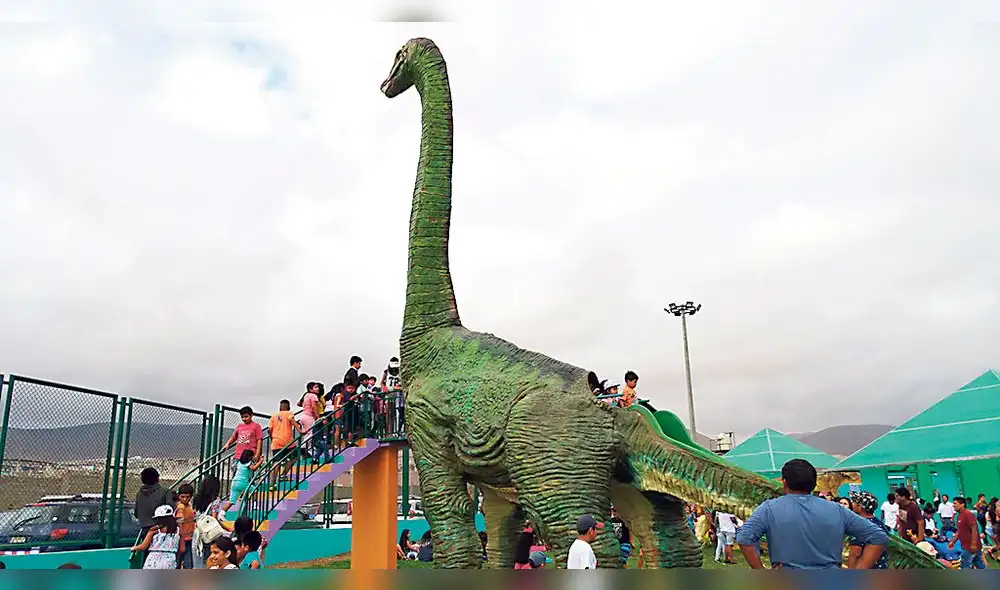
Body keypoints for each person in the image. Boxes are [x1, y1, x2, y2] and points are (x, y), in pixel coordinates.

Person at [736, 459, 888, 569]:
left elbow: (744, 537)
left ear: (784, 482)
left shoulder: (769, 508)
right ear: (814, 484)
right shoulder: (837, 510)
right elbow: (879, 537)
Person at [134, 467, 174, 564]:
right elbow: (170, 510)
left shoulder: (139, 494)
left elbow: (136, 512)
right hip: (161, 530)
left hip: (145, 528)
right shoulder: (165, 492)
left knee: (149, 558)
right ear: (157, 478)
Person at [192, 475, 229, 568]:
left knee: (200, 554)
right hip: (210, 533)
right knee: (210, 556)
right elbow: (214, 518)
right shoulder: (215, 501)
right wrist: (227, 528)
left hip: (198, 531)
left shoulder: (197, 498)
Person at [847, 491, 890, 569]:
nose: (851, 504)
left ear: (860, 506)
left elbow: (855, 553)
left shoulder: (860, 526)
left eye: (853, 501)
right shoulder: (879, 524)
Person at [132, 505, 184, 570]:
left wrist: (134, 548)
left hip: (153, 559)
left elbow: (143, 546)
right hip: (170, 560)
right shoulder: (178, 531)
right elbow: (182, 549)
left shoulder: (154, 530)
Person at [950, 496, 986, 569]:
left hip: (970, 547)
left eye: (955, 503)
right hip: (969, 547)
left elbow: (974, 529)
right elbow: (959, 531)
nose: (953, 505)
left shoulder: (968, 514)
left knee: (964, 566)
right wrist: (953, 541)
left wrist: (973, 544)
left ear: (962, 504)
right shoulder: (959, 516)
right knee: (979, 565)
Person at [175, 483, 196, 569]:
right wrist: (182, 541)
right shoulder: (181, 507)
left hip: (189, 538)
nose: (185, 499)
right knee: (181, 563)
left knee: (187, 563)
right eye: (182, 496)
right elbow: (180, 523)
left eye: (187, 497)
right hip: (182, 539)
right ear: (179, 496)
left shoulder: (189, 506)